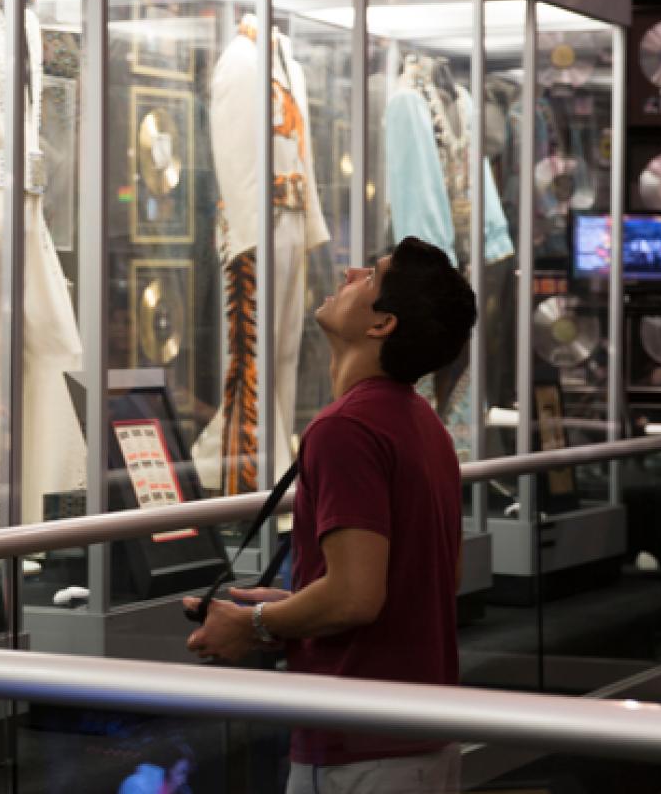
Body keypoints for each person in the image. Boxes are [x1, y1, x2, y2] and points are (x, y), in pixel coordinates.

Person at [184, 236, 475, 794]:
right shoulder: (422, 424)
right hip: (422, 733)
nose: (350, 272)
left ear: (381, 324)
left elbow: (355, 597)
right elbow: (426, 580)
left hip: (358, 747)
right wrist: (297, 606)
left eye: (370, 277)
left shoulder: (345, 429)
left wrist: (251, 624)